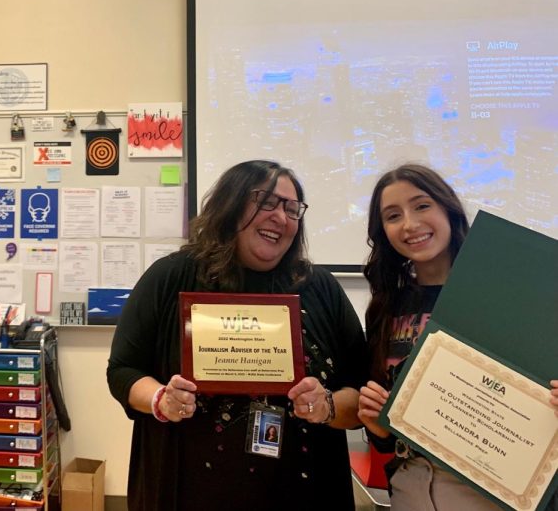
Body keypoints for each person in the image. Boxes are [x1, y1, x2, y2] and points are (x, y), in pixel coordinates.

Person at [107, 160, 368, 510]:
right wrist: (162, 400)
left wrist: (327, 406)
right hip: (186, 492)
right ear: (230, 205)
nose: (282, 216)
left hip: (304, 493)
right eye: (267, 202)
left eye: (292, 209)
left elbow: (362, 393)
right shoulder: (171, 276)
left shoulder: (319, 288)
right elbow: (123, 371)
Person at [357, 163, 558, 510]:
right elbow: (389, 436)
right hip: (411, 488)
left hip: (495, 489)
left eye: (422, 206)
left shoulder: (510, 295)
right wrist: (377, 428)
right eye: (393, 215)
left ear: (447, 209)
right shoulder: (384, 309)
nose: (410, 224)